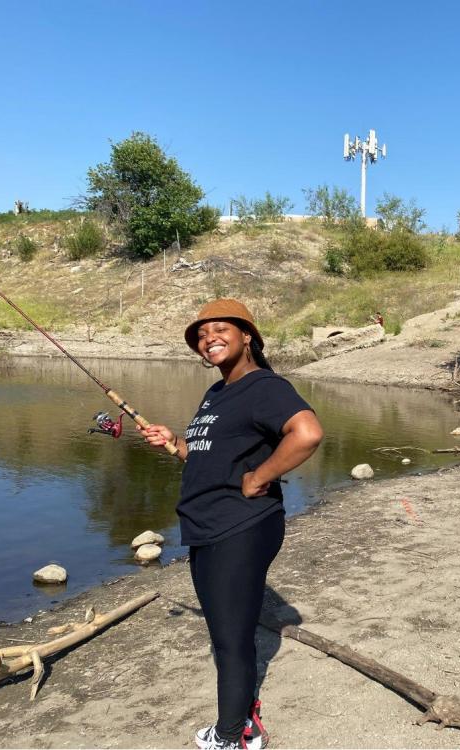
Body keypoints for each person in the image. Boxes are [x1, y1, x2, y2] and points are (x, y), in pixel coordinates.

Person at [138, 299, 323, 750]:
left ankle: (233, 736)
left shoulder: (263, 386)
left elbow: (308, 433)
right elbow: (210, 456)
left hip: (239, 526)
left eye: (219, 329)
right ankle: (245, 716)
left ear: (247, 337)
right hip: (210, 525)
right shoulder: (217, 392)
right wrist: (176, 442)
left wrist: (260, 478)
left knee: (229, 640)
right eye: (201, 335)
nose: (208, 339)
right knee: (228, 632)